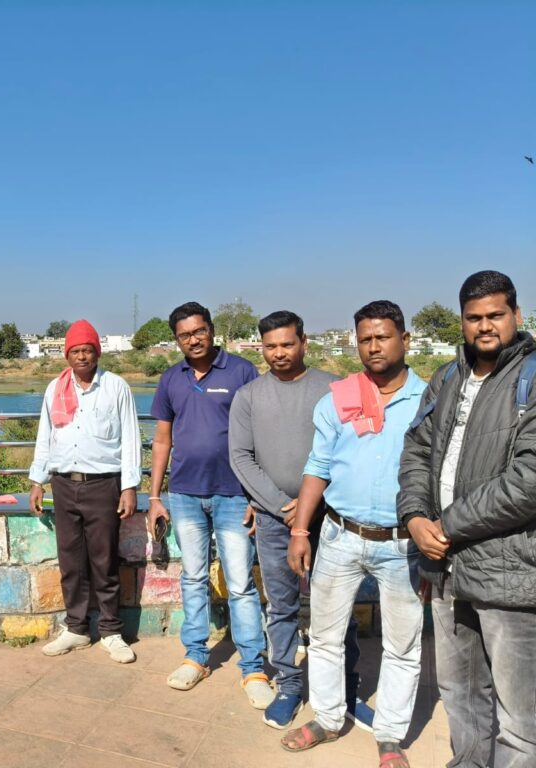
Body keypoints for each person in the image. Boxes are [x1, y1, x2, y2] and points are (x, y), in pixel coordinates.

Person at [398, 271, 536, 767]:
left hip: (509, 571)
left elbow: (529, 480)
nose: (485, 326)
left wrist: (447, 526)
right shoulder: (447, 377)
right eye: (474, 317)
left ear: (516, 315)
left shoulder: (531, 379)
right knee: (460, 695)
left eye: (495, 315)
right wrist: (415, 517)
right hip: (445, 567)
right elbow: (416, 451)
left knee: (521, 722)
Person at [282, 300, 425, 768]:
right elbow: (318, 466)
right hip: (339, 535)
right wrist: (300, 530)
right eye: (365, 339)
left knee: (403, 645)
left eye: (383, 337)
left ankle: (390, 736)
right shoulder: (338, 399)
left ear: (405, 340)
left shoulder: (429, 402)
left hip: (404, 543)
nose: (373, 346)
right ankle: (327, 718)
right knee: (324, 635)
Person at [229, 310, 373, 730]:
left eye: (287, 344)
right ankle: (290, 686)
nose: (279, 353)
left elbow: (355, 449)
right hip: (274, 519)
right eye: (270, 346)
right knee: (282, 606)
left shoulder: (335, 388)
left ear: (304, 343)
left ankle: (346, 689)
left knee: (339, 606)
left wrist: (313, 504)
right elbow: (241, 457)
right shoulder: (249, 396)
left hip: (330, 517)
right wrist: (282, 505)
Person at [145, 302, 270, 706]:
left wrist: (257, 495)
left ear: (212, 330)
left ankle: (253, 667)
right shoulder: (171, 378)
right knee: (193, 577)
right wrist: (155, 496)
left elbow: (260, 435)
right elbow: (162, 439)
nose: (193, 340)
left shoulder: (241, 372)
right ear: (176, 340)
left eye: (199, 331)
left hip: (234, 495)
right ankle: (196, 657)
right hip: (184, 495)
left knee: (240, 583)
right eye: (184, 335)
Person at [28, 320, 142, 663]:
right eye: (75, 351)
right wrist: (37, 481)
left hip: (103, 484)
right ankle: (76, 628)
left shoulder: (116, 387)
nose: (81, 356)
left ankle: (110, 631)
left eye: (87, 350)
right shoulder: (55, 388)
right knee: (70, 560)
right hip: (63, 484)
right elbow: (45, 436)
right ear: (67, 355)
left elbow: (131, 438)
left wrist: (129, 487)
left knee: (104, 560)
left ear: (97, 353)